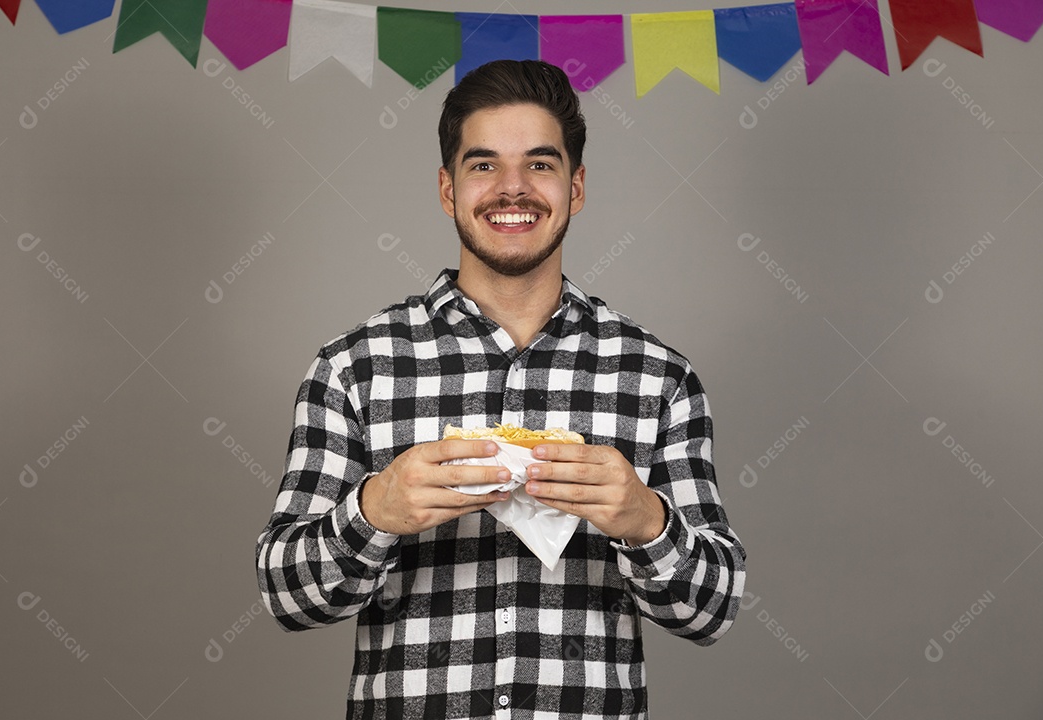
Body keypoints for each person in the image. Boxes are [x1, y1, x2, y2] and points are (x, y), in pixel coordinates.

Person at [256, 59, 746, 719]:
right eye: (483, 165)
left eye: (539, 165)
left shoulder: (656, 375)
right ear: (446, 188)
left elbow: (712, 612)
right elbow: (289, 599)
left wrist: (644, 520)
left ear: (575, 187)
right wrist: (374, 512)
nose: (511, 190)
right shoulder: (356, 367)